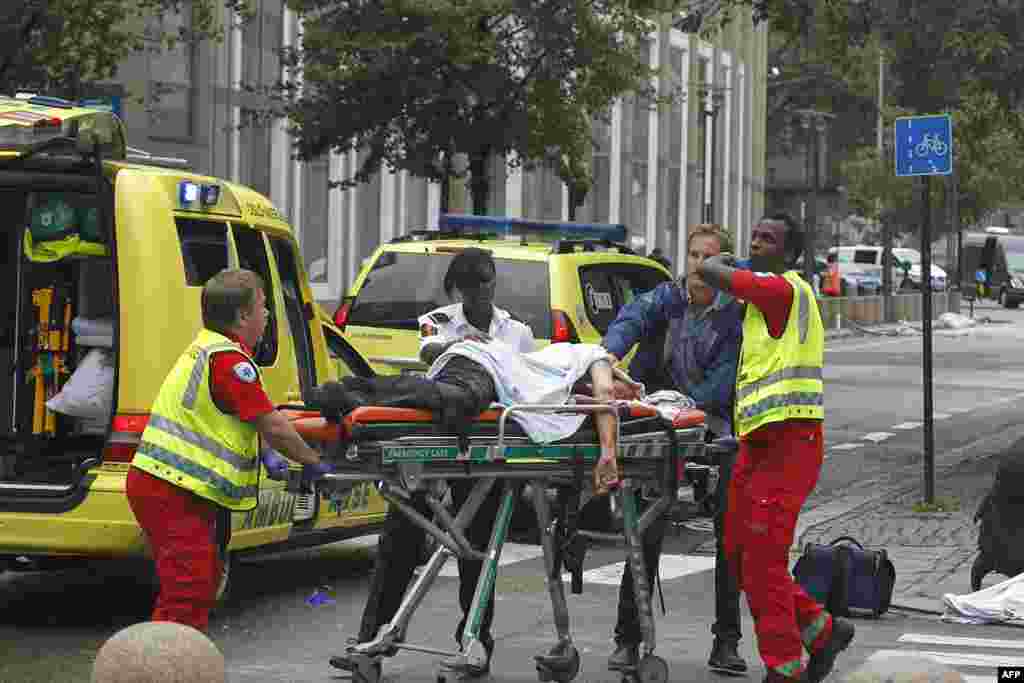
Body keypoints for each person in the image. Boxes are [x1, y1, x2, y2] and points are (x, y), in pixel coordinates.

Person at [331, 248, 536, 678]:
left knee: (477, 548)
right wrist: (465, 345)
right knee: (399, 538)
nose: (474, 298)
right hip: (436, 436)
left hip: (483, 446)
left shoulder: (516, 331)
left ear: (491, 285)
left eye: (481, 289)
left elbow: (520, 380)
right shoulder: (440, 320)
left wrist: (488, 352)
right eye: (466, 291)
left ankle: (475, 640)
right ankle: (372, 636)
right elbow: (430, 353)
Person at [126, 268, 333, 633]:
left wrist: (266, 451)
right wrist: (314, 462)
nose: (268, 315)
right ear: (242, 317)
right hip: (173, 488)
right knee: (189, 588)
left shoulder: (211, 349)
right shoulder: (230, 362)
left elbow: (243, 416)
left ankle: (179, 660)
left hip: (172, 486)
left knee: (199, 582)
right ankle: (165, 665)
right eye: (263, 307)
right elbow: (272, 423)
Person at [697, 213, 854, 683]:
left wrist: (734, 260)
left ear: (790, 255)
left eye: (769, 240)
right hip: (758, 442)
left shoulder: (782, 290)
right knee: (741, 552)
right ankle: (821, 629)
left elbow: (710, 270)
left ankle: (784, 667)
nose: (758, 243)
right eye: (756, 236)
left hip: (790, 444)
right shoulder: (760, 299)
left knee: (764, 563)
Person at [597, 224, 746, 675]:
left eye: (709, 257)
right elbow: (631, 319)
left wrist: (684, 408)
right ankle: (627, 637)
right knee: (645, 529)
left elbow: (723, 384)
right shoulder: (669, 298)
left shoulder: (736, 316)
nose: (699, 266)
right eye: (694, 255)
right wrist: (604, 358)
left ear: (726, 266)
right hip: (663, 426)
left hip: (715, 428)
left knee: (731, 536)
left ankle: (727, 641)